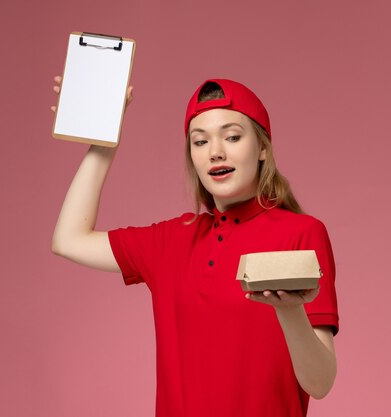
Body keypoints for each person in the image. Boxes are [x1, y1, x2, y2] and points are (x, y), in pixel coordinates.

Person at [51, 77, 340, 417]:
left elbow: (319, 383)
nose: (216, 151)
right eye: (199, 141)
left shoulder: (302, 233)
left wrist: (288, 310)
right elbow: (69, 239)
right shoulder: (171, 241)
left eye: (232, 137)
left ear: (262, 148)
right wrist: (103, 145)